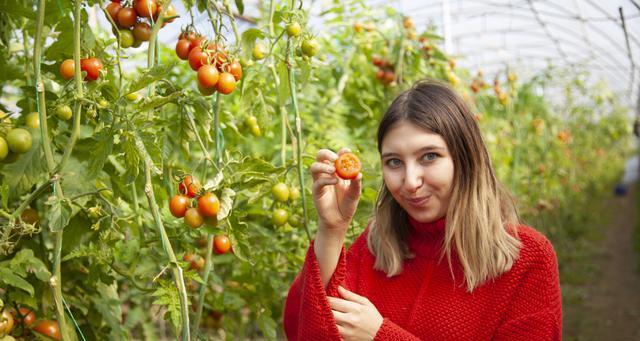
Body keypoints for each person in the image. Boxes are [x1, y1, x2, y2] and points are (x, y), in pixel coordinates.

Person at [283, 79, 562, 340]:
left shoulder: (527, 259)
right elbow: (301, 329)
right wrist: (331, 230)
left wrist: (382, 335)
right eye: (394, 162)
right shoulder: (377, 247)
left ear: (465, 159)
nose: (411, 182)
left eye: (429, 157)